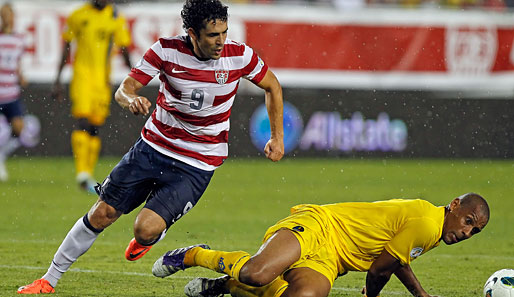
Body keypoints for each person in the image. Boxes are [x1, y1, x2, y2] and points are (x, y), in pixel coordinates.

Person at [17, 0, 284, 294]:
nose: (221, 41)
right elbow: (125, 88)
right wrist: (131, 100)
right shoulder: (166, 50)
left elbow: (273, 86)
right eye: (212, 35)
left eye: (224, 32)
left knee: (145, 229)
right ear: (193, 34)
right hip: (153, 148)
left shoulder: (239, 56)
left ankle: (149, 239)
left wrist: (277, 136)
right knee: (102, 213)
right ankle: (48, 280)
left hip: (197, 163)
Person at [152, 193, 489, 297]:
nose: (466, 232)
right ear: (455, 205)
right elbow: (379, 270)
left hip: (333, 260)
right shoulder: (428, 222)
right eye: (468, 221)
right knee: (259, 272)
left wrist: (420, 295)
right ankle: (194, 254)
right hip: (319, 226)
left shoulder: (432, 229)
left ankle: (225, 286)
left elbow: (396, 259)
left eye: (474, 231)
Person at [52, 0, 132, 193]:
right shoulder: (79, 15)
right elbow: (67, 47)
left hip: (103, 81)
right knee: (83, 121)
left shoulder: (115, 17)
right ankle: (82, 172)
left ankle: (87, 174)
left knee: (95, 127)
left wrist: (134, 80)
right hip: (82, 77)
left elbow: (124, 49)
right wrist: (58, 80)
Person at [0, 3, 28, 181]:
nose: (7, 19)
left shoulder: (19, 40)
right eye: (4, 15)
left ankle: (1, 155)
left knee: (20, 130)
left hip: (11, 93)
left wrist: (20, 76)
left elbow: (16, 63)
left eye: (10, 15)